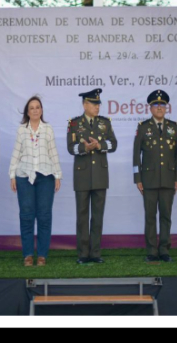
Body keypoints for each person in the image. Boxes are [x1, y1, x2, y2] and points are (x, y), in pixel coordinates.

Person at [9, 96, 61, 267]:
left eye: (38, 107)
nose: (35, 110)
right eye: (32, 108)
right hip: (24, 176)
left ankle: (42, 255)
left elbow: (53, 152)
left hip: (46, 176)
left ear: (42, 110)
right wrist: (12, 175)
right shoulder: (21, 130)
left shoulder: (48, 129)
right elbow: (16, 153)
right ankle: (28, 255)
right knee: (26, 216)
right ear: (27, 112)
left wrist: (58, 175)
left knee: (45, 216)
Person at [67, 88, 117, 264]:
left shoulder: (105, 123)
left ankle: (95, 253)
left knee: (97, 216)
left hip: (100, 176)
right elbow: (70, 147)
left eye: (98, 104)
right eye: (94, 104)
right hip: (82, 176)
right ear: (85, 104)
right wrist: (84, 149)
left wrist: (99, 145)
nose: (97, 107)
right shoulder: (74, 124)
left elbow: (113, 144)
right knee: (82, 216)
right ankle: (82, 254)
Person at [133, 89, 177, 263]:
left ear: (166, 107)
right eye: (156, 105)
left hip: (168, 179)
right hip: (149, 180)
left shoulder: (173, 127)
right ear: (150, 108)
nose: (159, 108)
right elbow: (135, 155)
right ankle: (152, 251)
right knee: (150, 216)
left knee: (166, 216)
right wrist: (138, 179)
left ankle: (164, 251)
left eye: (162, 105)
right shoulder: (143, 127)